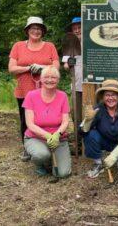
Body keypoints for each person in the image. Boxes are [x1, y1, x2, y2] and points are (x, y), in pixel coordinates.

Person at [8, 16, 60, 161]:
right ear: (27, 30)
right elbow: (12, 68)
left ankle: (48, 144)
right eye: (33, 28)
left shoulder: (49, 46)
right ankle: (27, 148)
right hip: (24, 90)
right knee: (26, 120)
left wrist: (43, 67)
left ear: (42, 31)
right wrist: (28, 68)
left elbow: (56, 66)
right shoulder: (18, 46)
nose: (36, 31)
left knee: (47, 118)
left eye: (38, 28)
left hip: (46, 90)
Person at [80, 79, 118, 178]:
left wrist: (114, 155)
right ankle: (98, 164)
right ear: (103, 97)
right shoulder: (98, 109)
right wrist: (87, 121)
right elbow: (82, 133)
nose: (110, 98)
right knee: (90, 134)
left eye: (113, 95)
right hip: (105, 141)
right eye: (107, 95)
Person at [22, 66, 71, 177]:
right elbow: (30, 124)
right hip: (36, 138)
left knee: (63, 174)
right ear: (41, 79)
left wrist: (57, 135)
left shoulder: (63, 96)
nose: (50, 80)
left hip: (59, 139)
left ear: (58, 80)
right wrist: (48, 135)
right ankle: (41, 163)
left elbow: (65, 122)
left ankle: (51, 159)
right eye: (46, 77)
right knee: (41, 154)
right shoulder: (31, 96)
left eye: (53, 77)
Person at [63, 17, 83, 148]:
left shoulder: (92, 42)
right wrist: (69, 63)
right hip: (76, 85)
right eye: (74, 28)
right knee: (77, 115)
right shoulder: (70, 44)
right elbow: (65, 66)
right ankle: (78, 141)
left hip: (92, 84)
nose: (77, 30)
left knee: (93, 113)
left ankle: (91, 142)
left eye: (79, 27)